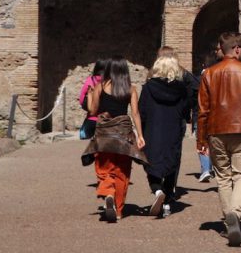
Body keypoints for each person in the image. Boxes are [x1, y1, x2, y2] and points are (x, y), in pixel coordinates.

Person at [198, 32, 241, 247]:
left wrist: (201, 138)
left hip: (217, 130)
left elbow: (202, 110)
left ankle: (229, 219)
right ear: (237, 49)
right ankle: (236, 213)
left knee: (224, 177)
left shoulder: (209, 73)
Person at [80, 57, 148, 223]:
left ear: (109, 70)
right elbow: (135, 114)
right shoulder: (131, 89)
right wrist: (140, 135)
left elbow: (93, 111)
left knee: (104, 170)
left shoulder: (100, 86)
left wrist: (90, 96)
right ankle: (118, 210)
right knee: (122, 172)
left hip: (104, 136)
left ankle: (108, 193)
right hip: (123, 136)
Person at [139, 46, 192, 218]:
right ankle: (168, 202)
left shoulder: (148, 88)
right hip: (173, 130)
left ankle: (157, 191)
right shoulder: (182, 89)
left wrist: (141, 131)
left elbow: (143, 111)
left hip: (153, 130)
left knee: (150, 163)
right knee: (171, 165)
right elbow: (185, 111)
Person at [191, 45, 221, 182]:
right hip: (218, 115)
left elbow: (194, 99)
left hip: (202, 114)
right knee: (214, 142)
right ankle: (212, 168)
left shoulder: (198, 79)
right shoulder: (220, 76)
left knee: (202, 141)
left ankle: (205, 169)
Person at [77, 58, 110, 140]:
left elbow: (81, 100)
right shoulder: (109, 82)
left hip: (91, 120)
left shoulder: (89, 80)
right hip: (106, 121)